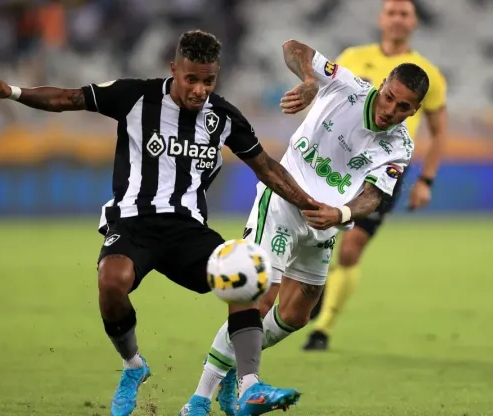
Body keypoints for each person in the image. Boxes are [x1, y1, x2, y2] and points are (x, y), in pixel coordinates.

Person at [0, 30, 319, 416]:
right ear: (174, 70)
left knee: (243, 274)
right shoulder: (135, 96)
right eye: (191, 79)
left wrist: (309, 204)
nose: (199, 90)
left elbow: (267, 168)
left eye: (208, 81)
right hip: (133, 222)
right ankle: (133, 366)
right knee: (111, 282)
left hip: (186, 229)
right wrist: (14, 92)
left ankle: (248, 384)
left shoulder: (223, 116)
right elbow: (68, 98)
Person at [180, 38, 425, 416]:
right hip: (283, 200)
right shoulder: (347, 85)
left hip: (326, 221)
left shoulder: (401, 145)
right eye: (390, 96)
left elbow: (374, 196)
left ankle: (234, 366)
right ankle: (200, 399)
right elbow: (293, 46)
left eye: (403, 106)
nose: (391, 109)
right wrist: (310, 79)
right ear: (383, 85)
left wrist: (341, 215)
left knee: (296, 314)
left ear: (415, 110)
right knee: (259, 296)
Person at [303, 0, 449, 351]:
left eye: (405, 13)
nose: (397, 19)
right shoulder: (353, 57)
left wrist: (426, 181)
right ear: (381, 18)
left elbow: (439, 131)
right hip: (337, 160)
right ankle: (313, 287)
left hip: (384, 170)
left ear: (413, 22)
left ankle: (322, 328)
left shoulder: (427, 74)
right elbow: (326, 96)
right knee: (312, 235)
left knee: (351, 248)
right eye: (392, 12)